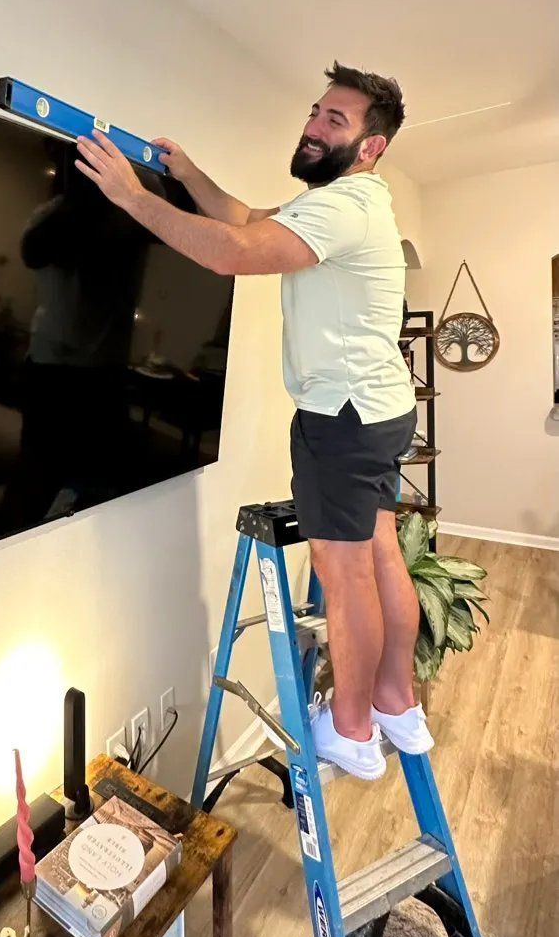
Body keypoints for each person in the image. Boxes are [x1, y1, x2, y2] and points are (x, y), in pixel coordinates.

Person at [74, 61, 431, 780]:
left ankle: (355, 729)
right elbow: (243, 220)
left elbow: (231, 254)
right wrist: (190, 173)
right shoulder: (353, 203)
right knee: (382, 552)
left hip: (344, 419)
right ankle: (395, 700)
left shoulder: (342, 207)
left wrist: (133, 197)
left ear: (370, 146)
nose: (312, 126)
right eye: (314, 111)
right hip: (381, 409)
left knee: (344, 568)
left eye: (335, 120)